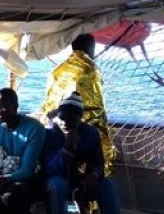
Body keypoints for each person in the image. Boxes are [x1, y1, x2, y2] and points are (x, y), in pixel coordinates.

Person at [41, 92, 133, 214]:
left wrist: (93, 176)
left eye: (72, 119)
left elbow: (98, 162)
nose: (66, 122)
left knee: (107, 186)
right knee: (57, 186)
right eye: (62, 118)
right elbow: (50, 168)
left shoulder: (89, 133)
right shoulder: (49, 133)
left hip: (75, 180)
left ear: (80, 119)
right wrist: (67, 147)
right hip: (51, 179)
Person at [39, 33, 117, 177]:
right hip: (81, 127)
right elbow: (96, 107)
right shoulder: (90, 69)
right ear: (90, 47)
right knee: (97, 166)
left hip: (54, 125)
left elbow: (49, 102)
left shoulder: (57, 70)